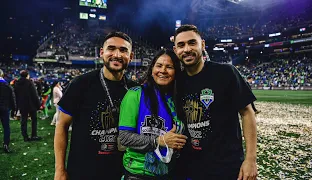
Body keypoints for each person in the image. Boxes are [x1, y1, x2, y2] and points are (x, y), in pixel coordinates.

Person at [173, 25, 258, 180]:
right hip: (190, 168)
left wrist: (251, 159)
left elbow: (247, 113)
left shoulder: (226, 73)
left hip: (226, 168)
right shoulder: (176, 82)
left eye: (192, 43)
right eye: (181, 45)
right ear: (175, 50)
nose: (186, 49)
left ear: (202, 45)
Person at [54, 31, 137, 180]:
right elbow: (62, 126)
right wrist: (60, 170)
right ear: (101, 53)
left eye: (123, 50)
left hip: (120, 172)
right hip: (83, 171)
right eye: (111, 48)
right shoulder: (80, 84)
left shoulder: (135, 90)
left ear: (131, 57)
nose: (117, 55)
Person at [118, 49, 187, 179]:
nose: (163, 71)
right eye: (159, 66)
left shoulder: (178, 100)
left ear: (176, 72)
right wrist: (159, 141)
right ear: (152, 69)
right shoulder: (135, 94)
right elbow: (125, 138)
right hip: (137, 174)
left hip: (168, 173)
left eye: (169, 67)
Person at [14, 70, 42, 142]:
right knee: (34, 120)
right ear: (27, 75)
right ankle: (34, 135)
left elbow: (16, 95)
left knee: (23, 120)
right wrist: (38, 105)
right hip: (31, 104)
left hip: (22, 105)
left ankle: (25, 136)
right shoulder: (29, 82)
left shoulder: (17, 83)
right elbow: (34, 95)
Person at [0, 69, 16, 153]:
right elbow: (12, 99)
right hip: (5, 108)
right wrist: (14, 109)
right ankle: (6, 144)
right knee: (6, 127)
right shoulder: (7, 85)